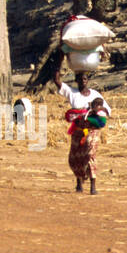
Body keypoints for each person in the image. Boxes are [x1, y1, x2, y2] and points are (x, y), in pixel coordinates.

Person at [52, 66, 111, 194]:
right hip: (78, 130)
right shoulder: (72, 93)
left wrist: (96, 110)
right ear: (76, 80)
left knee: (90, 154)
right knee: (75, 158)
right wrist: (58, 60)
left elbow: (107, 110)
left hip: (92, 130)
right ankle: (79, 182)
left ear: (88, 80)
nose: (83, 80)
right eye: (80, 78)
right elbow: (57, 80)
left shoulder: (95, 94)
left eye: (85, 78)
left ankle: (93, 186)